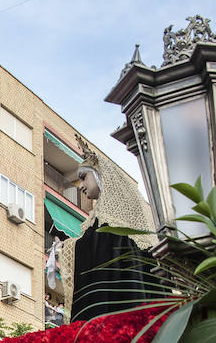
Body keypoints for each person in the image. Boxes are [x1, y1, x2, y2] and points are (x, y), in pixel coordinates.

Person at [59, 138, 156, 322]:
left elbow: (98, 247)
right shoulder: (106, 215)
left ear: (99, 175)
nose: (81, 186)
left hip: (120, 305)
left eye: (83, 177)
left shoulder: (111, 217)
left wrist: (65, 248)